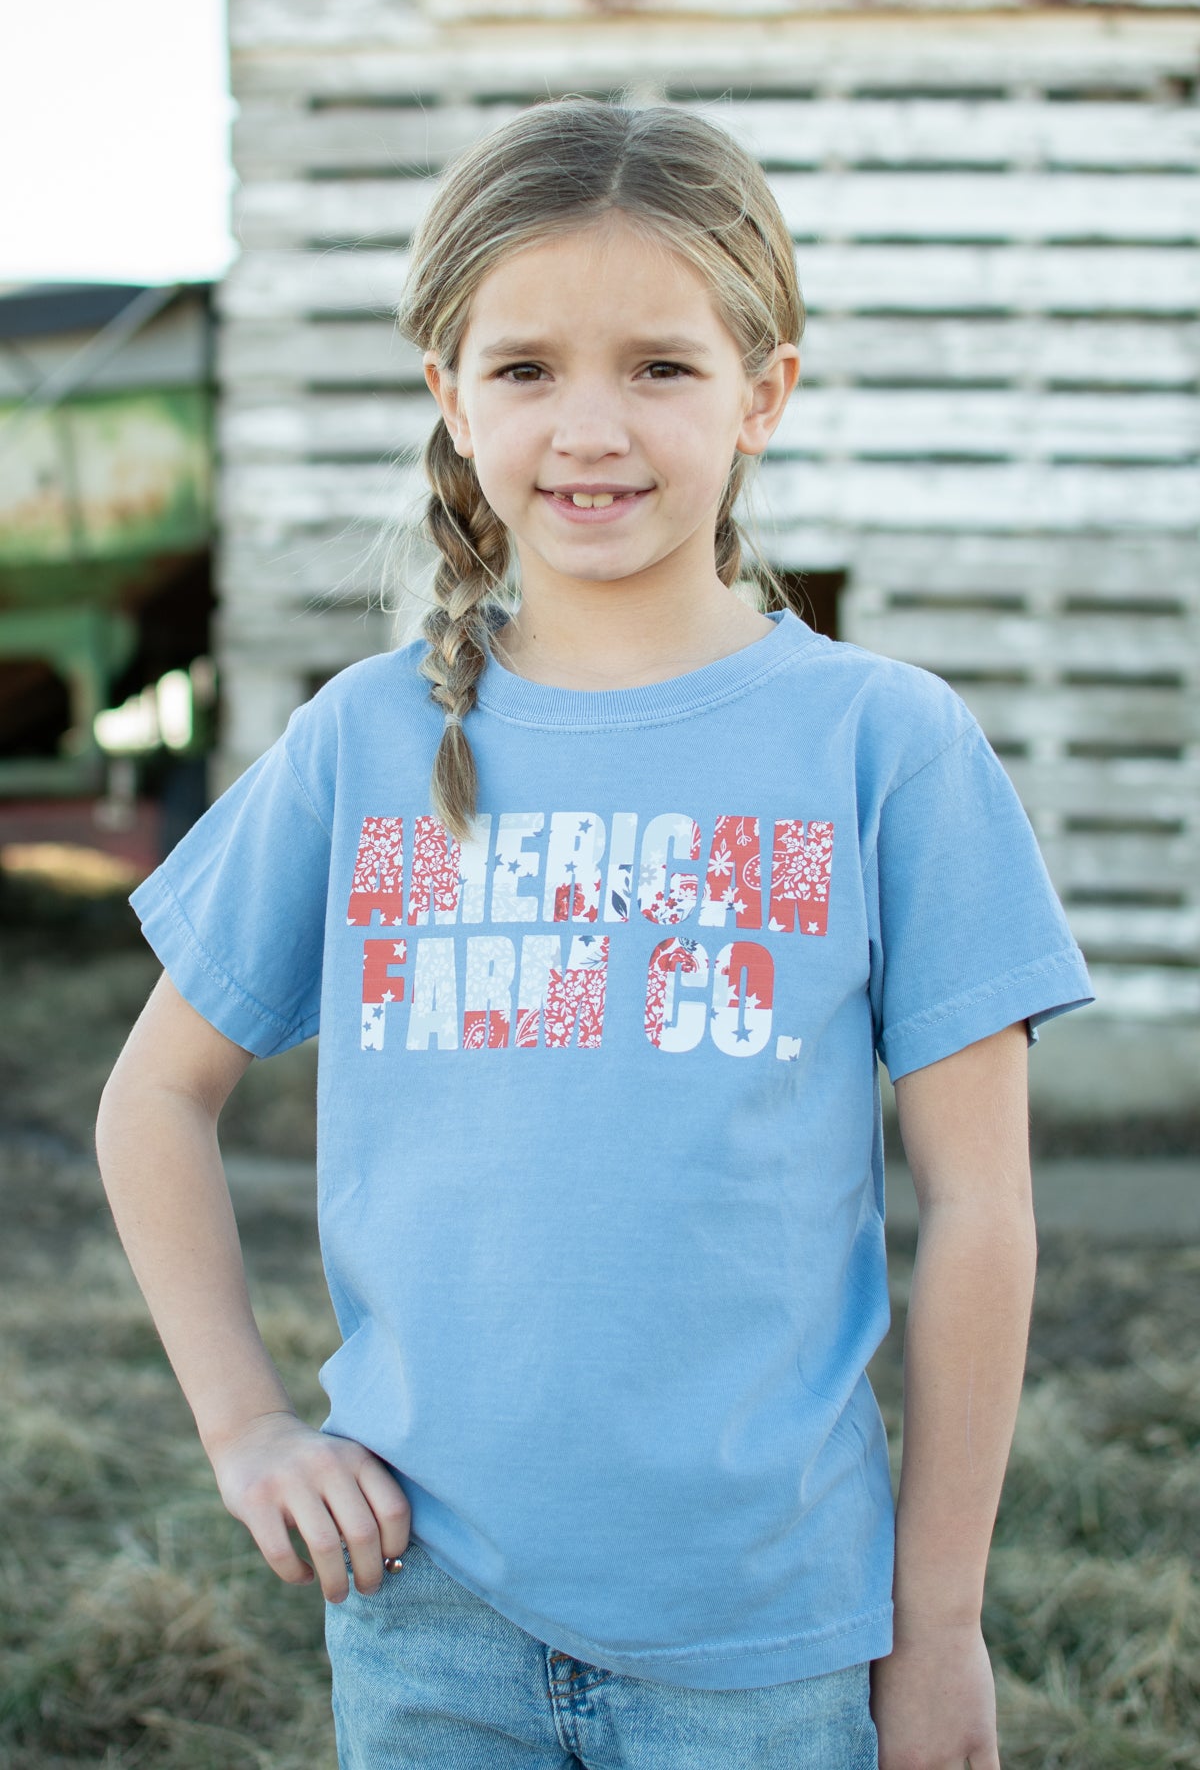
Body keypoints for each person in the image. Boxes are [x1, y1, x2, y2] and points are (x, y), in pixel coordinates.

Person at [96, 96, 1095, 1770]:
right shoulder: (362, 742)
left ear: (764, 393)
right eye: (527, 367)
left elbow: (983, 1214)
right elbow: (151, 1099)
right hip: (423, 1614)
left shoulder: (886, 745)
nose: (589, 428)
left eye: (660, 366)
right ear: (450, 393)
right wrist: (249, 1428)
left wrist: (938, 1627)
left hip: (765, 1634)